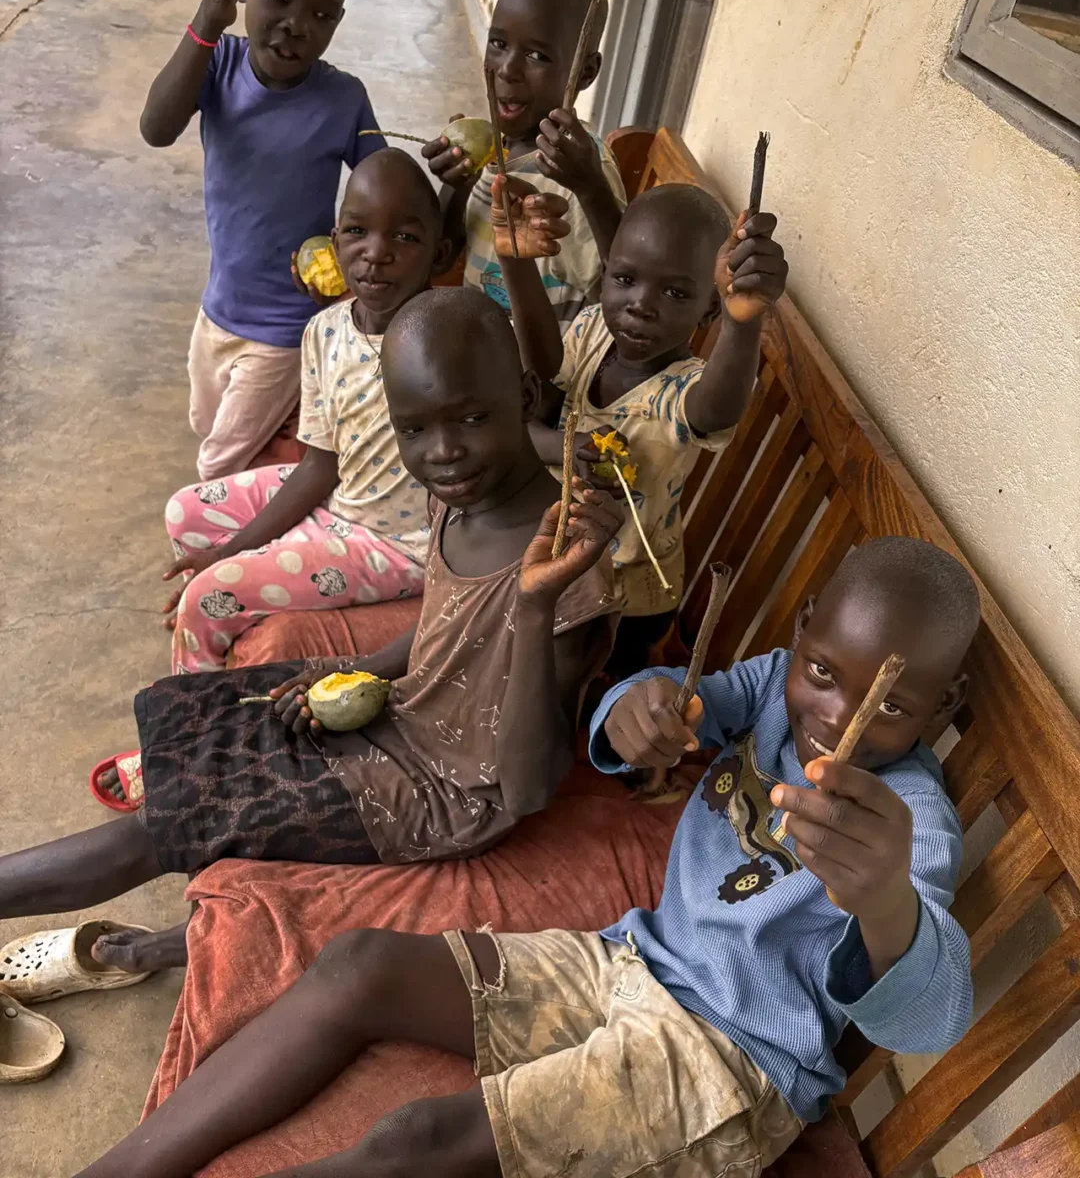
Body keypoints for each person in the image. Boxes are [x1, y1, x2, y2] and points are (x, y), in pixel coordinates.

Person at [73, 536, 980, 1178]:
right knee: (359, 965)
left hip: (732, 1062)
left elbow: (933, 1016)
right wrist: (638, 709)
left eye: (890, 707)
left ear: (942, 708)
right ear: (808, 630)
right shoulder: (776, 685)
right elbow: (674, 705)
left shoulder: (914, 824)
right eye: (824, 672)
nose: (837, 716)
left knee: (414, 1142)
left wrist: (885, 902)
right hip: (631, 960)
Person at [2, 289, 620, 980]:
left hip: (448, 792)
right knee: (227, 709)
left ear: (525, 396)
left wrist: (533, 608)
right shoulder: (460, 495)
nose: (444, 451)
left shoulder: (565, 567)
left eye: (472, 417)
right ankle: (185, 900)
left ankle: (163, 931)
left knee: (166, 824)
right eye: (414, 429)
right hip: (406, 713)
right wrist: (362, 670)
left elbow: (526, 789)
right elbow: (447, 626)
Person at [155, 147, 454, 678]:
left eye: (405, 238)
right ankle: (239, 628)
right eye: (357, 231)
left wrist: (227, 563)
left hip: (395, 544)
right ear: (334, 243)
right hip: (338, 498)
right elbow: (320, 464)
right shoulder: (325, 329)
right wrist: (233, 550)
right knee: (185, 512)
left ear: (440, 254)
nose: (376, 253)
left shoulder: (448, 337)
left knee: (206, 598)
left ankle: (197, 718)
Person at [492, 176, 788, 675]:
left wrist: (740, 322)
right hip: (555, 566)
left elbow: (717, 409)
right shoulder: (592, 330)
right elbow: (537, 389)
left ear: (709, 307)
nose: (641, 304)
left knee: (586, 681)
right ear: (607, 271)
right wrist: (516, 263)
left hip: (627, 599)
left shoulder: (682, 393)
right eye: (625, 279)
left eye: (674, 292)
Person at [141, 0, 386, 480]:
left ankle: (215, 535)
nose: (297, 25)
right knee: (208, 425)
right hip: (218, 309)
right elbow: (156, 128)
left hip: (287, 325)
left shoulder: (344, 100)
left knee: (218, 464)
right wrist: (206, 19)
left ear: (338, 20)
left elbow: (384, 190)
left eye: (322, 15)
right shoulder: (217, 64)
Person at [423, 0, 626, 331]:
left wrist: (591, 190)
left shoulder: (578, 173)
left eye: (537, 55)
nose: (507, 69)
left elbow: (621, 295)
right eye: (498, 43)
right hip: (476, 347)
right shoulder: (494, 148)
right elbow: (442, 258)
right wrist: (457, 184)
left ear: (585, 72)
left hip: (541, 364)